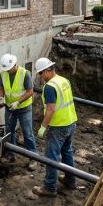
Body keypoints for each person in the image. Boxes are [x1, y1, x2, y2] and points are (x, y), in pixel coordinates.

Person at [32, 57, 78, 197]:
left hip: (58, 126)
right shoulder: (63, 80)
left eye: (40, 73)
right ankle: (70, 180)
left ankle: (49, 187)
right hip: (71, 121)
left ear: (47, 71)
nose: (40, 77)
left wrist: (43, 127)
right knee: (67, 152)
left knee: (51, 156)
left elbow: (51, 109)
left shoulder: (50, 87)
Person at [0, 53, 37, 169]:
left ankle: (33, 158)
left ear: (14, 65)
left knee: (27, 133)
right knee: (9, 132)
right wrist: (0, 99)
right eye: (6, 69)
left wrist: (18, 102)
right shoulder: (3, 73)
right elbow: (1, 88)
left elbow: (30, 91)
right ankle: (10, 154)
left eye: (9, 69)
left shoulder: (25, 73)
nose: (8, 71)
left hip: (24, 109)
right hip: (10, 108)